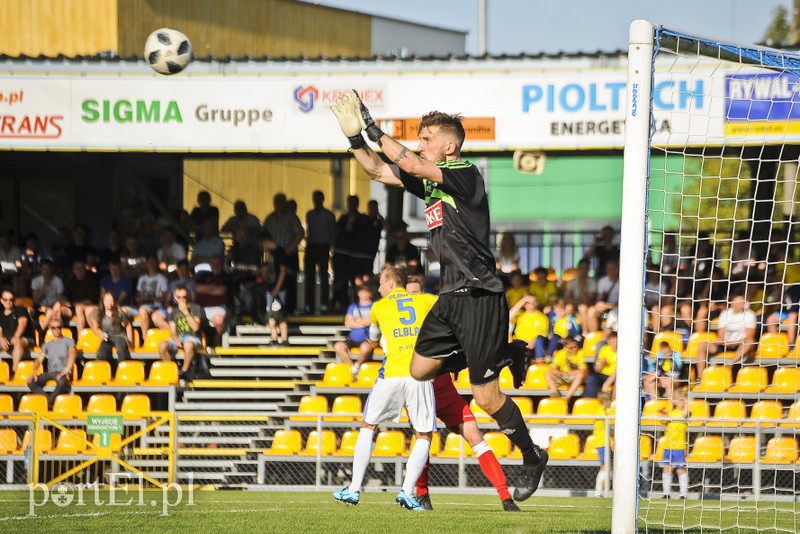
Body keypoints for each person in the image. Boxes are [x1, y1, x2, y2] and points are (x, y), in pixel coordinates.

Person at [331, 91, 546, 501]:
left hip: (481, 295)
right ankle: (499, 352)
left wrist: (373, 127)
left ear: (449, 146)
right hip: (450, 298)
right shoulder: (432, 186)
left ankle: (532, 454)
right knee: (418, 370)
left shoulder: (466, 174)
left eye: (427, 137)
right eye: (420, 136)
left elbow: (408, 162)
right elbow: (381, 172)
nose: (421, 143)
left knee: (485, 398)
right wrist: (355, 141)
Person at [406, 276, 520, 512]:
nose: (413, 297)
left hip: (444, 387)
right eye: (410, 293)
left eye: (417, 292)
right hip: (418, 388)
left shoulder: (438, 316)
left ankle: (505, 497)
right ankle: (422, 495)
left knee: (474, 434)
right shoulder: (399, 324)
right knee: (423, 442)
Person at [332, 267, 435, 511]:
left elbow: (374, 340)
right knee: (423, 435)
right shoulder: (427, 301)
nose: (378, 288)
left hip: (390, 374)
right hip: (420, 374)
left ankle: (354, 489)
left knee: (369, 426)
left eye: (380, 283)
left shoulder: (379, 307)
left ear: (390, 283)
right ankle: (407, 493)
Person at [693, 293, 756, 379]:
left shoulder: (750, 314)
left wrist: (734, 343)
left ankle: (729, 364)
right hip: (725, 344)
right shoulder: (725, 314)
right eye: (740, 302)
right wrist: (723, 341)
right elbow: (721, 334)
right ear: (732, 304)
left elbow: (749, 335)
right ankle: (700, 377)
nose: (743, 304)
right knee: (702, 345)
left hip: (741, 344)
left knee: (750, 341)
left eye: (743, 302)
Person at [263, 193, 304, 314]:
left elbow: (300, 233)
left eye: (281, 202)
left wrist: (290, 248)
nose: (279, 205)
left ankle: (290, 310)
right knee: (274, 280)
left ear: (285, 203)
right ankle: (273, 309)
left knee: (290, 282)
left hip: (288, 254)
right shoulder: (269, 218)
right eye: (277, 202)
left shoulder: (291, 217)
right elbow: (264, 234)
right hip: (274, 255)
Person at [27, 320, 77, 409]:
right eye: (54, 328)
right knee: (30, 382)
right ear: (50, 329)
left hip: (63, 371)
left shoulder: (69, 341)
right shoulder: (47, 345)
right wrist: (34, 371)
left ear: (61, 328)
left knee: (61, 382)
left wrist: (66, 370)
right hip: (51, 372)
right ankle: (49, 401)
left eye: (59, 327)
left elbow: (72, 354)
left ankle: (48, 403)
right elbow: (39, 359)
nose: (57, 330)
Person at [158, 284, 204, 381]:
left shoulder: (195, 308)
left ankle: (184, 371)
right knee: (162, 346)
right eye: (179, 297)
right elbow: (172, 331)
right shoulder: (173, 312)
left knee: (188, 345)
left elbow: (195, 328)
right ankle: (172, 370)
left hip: (193, 337)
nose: (182, 299)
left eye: (184, 297)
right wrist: (175, 338)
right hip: (179, 337)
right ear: (175, 297)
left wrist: (186, 312)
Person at [304, 190, 336, 314]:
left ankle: (324, 304)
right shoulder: (309, 214)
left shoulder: (329, 215)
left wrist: (331, 248)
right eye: (314, 198)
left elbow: (332, 232)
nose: (316, 200)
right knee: (309, 277)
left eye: (318, 198)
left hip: (324, 247)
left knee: (323, 276)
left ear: (322, 199)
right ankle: (309, 305)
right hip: (311, 246)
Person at [332, 285, 374, 374]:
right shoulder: (353, 306)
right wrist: (364, 322)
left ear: (370, 293)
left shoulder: (374, 306)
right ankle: (353, 368)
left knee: (366, 348)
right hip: (353, 338)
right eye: (362, 291)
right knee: (338, 346)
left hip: (367, 339)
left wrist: (357, 321)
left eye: (366, 291)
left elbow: (373, 321)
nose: (364, 293)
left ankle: (358, 365)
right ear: (358, 293)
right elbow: (348, 323)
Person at [331, 195, 361, 312]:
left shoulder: (361, 218)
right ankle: (342, 305)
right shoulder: (343, 217)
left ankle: (357, 306)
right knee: (339, 281)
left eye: (354, 203)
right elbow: (336, 231)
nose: (351, 206)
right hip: (340, 252)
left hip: (353, 255)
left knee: (355, 282)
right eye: (350, 203)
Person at [660, 388, 690, 499]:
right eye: (679, 400)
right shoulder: (671, 413)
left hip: (679, 446)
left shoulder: (684, 414)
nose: (680, 402)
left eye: (682, 400)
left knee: (680, 469)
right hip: (668, 446)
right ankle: (666, 493)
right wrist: (663, 418)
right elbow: (665, 425)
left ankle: (683, 494)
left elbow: (685, 412)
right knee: (666, 468)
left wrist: (686, 400)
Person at [261, 233, 289, 345]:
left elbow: (283, 271)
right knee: (271, 315)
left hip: (279, 289)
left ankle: (284, 338)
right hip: (270, 288)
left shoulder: (279, 252)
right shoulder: (269, 254)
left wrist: (277, 288)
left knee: (280, 315)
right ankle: (274, 338)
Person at [91, 291, 134, 363]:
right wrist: (100, 334)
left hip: (119, 335)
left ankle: (121, 371)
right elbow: (94, 328)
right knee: (101, 354)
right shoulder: (99, 313)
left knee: (121, 352)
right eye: (107, 301)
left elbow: (128, 326)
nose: (109, 303)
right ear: (103, 301)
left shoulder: (120, 312)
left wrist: (130, 341)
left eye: (111, 301)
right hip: (107, 336)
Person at [0, 288, 35, 372]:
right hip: (7, 339)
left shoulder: (20, 310)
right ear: (1, 300)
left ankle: (13, 371)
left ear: (14, 300)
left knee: (17, 341)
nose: (8, 302)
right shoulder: (1, 314)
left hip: (25, 338)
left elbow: (22, 323)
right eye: (5, 299)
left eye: (11, 299)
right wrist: (1, 338)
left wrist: (16, 336)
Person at [544, 336, 588, 402]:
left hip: (574, 377)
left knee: (581, 375)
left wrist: (568, 373)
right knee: (547, 374)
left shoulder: (581, 353)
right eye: (571, 348)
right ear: (565, 347)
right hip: (563, 376)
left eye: (575, 347)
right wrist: (560, 373)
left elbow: (583, 370)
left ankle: (567, 398)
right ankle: (555, 393)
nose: (574, 349)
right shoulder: (560, 354)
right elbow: (551, 369)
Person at [63, 259, 100, 333]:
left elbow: (90, 301)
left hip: (89, 308)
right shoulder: (70, 281)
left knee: (79, 308)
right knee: (58, 308)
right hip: (72, 309)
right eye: (76, 268)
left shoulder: (91, 281)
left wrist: (72, 304)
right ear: (73, 270)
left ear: (85, 269)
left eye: (81, 268)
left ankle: (80, 339)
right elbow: (64, 296)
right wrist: (64, 301)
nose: (79, 270)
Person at [509, 295, 550, 361]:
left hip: (533, 345)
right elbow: (509, 317)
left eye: (532, 302)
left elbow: (542, 333)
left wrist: (532, 342)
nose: (530, 304)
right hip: (518, 343)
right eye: (527, 302)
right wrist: (522, 301)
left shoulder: (542, 317)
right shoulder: (520, 315)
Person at [136, 255, 170, 334]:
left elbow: (164, 297)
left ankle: (145, 339)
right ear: (146, 264)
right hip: (141, 305)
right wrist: (139, 298)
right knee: (124, 311)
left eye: (153, 262)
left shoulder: (162, 278)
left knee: (142, 310)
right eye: (149, 262)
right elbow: (138, 296)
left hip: (156, 306)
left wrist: (149, 298)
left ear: (157, 264)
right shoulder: (142, 278)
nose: (151, 264)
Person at [563, 259, 598, 334]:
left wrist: (581, 289)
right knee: (578, 307)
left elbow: (586, 301)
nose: (583, 270)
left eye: (585, 268)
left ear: (588, 269)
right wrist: (578, 301)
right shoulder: (571, 282)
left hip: (588, 306)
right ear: (578, 269)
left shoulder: (592, 282)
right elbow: (566, 299)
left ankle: (585, 333)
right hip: (575, 305)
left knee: (583, 307)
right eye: (581, 268)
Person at [31, 259, 67, 331]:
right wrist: (44, 288)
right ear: (41, 269)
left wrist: (50, 307)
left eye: (48, 269)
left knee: (51, 312)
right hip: (39, 306)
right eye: (44, 269)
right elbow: (35, 300)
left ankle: (41, 331)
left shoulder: (58, 280)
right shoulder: (35, 280)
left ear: (52, 269)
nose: (46, 272)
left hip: (54, 305)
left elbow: (59, 298)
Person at [585, 330, 618, 399]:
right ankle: (591, 400)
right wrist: (602, 364)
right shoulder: (604, 349)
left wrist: (606, 384)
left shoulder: (622, 351)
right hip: (603, 374)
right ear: (608, 342)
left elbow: (617, 371)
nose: (615, 344)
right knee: (592, 379)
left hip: (614, 376)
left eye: (616, 342)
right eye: (613, 342)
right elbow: (597, 369)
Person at [593, 390, 613, 498]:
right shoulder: (601, 412)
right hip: (602, 443)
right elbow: (605, 427)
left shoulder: (603, 411)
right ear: (606, 401)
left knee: (608, 466)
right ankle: (599, 491)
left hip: (605, 442)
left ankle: (604, 490)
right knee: (604, 467)